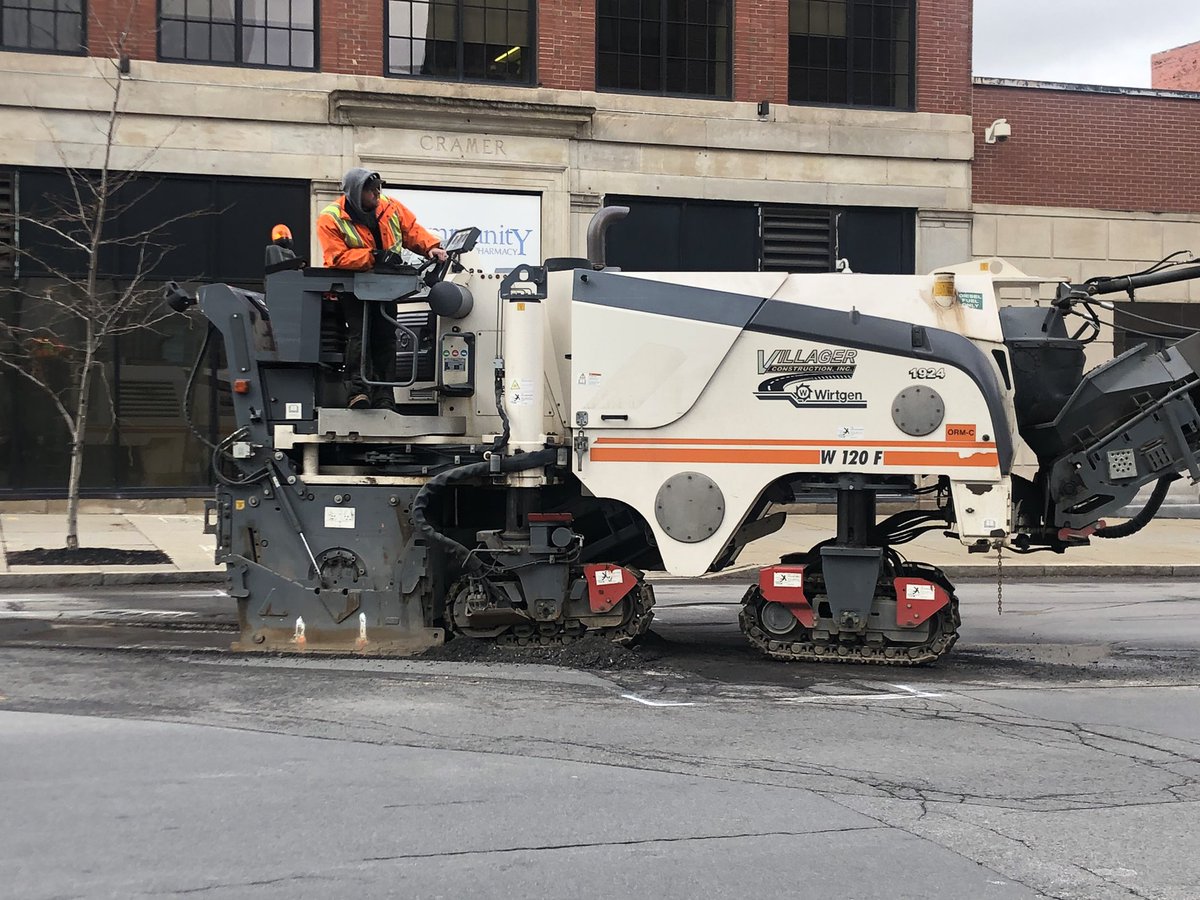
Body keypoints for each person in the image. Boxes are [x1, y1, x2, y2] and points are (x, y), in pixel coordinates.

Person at [316, 169, 448, 410]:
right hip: (355, 288)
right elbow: (336, 257)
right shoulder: (331, 218)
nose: (377, 193)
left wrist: (432, 247)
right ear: (357, 192)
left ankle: (384, 395)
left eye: (378, 188)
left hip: (387, 287)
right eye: (371, 189)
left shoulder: (390, 207)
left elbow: (412, 232)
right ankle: (358, 392)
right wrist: (373, 257)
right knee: (360, 336)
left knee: (386, 338)